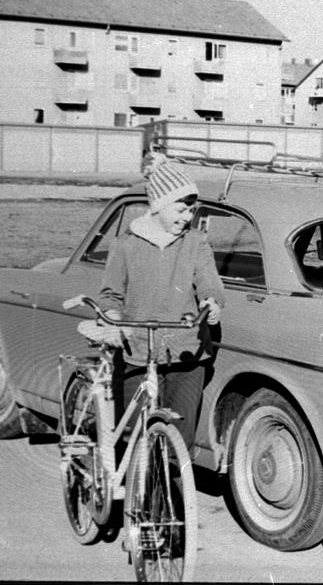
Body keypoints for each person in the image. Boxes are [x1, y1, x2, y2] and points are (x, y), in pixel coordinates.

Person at [98, 153, 225, 447]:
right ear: (158, 206)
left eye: (191, 211)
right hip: (138, 351)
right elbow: (110, 295)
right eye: (181, 210)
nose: (187, 217)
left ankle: (176, 477)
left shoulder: (195, 242)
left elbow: (209, 281)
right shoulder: (125, 245)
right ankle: (132, 475)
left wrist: (212, 302)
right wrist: (113, 319)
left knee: (180, 438)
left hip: (187, 353)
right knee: (135, 437)